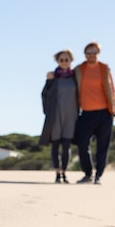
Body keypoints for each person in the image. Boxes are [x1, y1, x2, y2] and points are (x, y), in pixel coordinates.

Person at [73, 42, 115, 185]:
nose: (91, 54)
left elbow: (112, 89)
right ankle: (87, 173)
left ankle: (99, 175)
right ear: (85, 54)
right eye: (88, 52)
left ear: (99, 53)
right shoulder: (79, 70)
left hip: (105, 112)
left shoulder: (105, 69)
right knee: (82, 143)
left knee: (103, 145)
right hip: (86, 113)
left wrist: (113, 109)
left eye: (94, 51)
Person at [38, 49, 79, 184]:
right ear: (57, 61)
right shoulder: (52, 78)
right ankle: (57, 174)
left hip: (71, 116)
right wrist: (47, 112)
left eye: (66, 59)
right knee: (55, 145)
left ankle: (64, 173)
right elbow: (44, 95)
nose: (64, 62)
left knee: (66, 146)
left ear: (71, 61)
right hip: (56, 116)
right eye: (61, 60)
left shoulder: (75, 77)